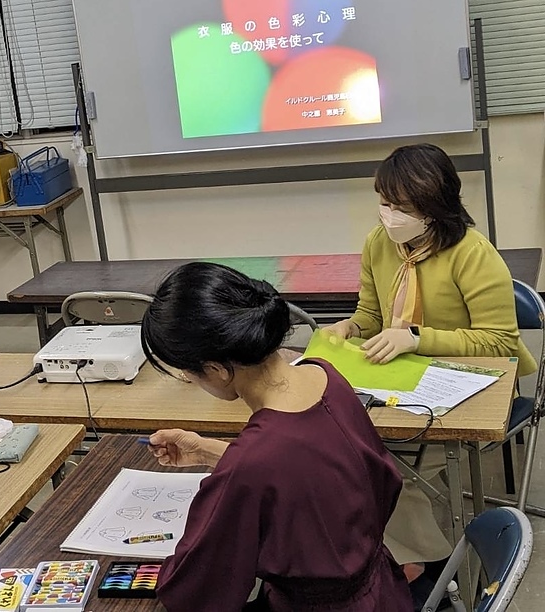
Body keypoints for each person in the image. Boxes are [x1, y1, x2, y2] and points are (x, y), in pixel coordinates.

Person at [141, 262, 413, 612]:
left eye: (187, 374)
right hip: (381, 592)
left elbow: (197, 590)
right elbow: (306, 467)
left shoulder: (254, 460)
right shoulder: (323, 375)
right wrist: (212, 452)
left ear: (216, 369)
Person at [325, 143, 536, 589]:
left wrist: (418, 337)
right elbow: (371, 315)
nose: (388, 215)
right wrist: (350, 327)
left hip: (468, 385)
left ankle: (431, 564)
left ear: (435, 207)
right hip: (402, 382)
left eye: (400, 207)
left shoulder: (471, 253)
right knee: (343, 450)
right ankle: (398, 549)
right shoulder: (379, 243)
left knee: (384, 463)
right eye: (384, 202)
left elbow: (501, 343)